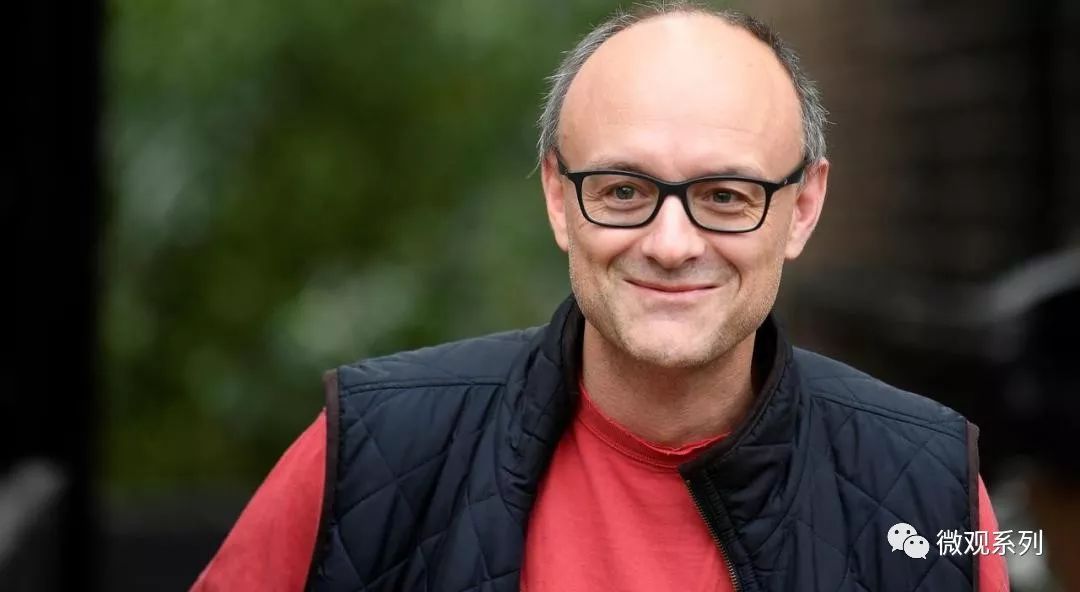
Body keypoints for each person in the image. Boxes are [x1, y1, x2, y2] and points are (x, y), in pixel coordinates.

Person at [194, 3, 1009, 591]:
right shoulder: (370, 451)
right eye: (623, 191)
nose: (671, 243)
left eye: (726, 196)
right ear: (557, 196)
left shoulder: (929, 487)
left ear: (802, 208)